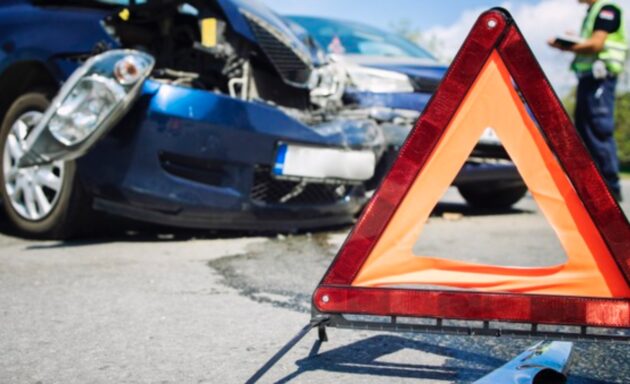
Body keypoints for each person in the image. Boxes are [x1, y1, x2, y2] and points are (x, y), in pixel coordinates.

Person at [549, 0, 628, 201]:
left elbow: (596, 44)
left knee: (598, 129)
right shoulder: (592, 12)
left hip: (600, 79)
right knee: (585, 130)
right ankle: (592, 186)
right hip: (589, 79)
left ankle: (610, 188)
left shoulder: (607, 10)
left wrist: (568, 46)